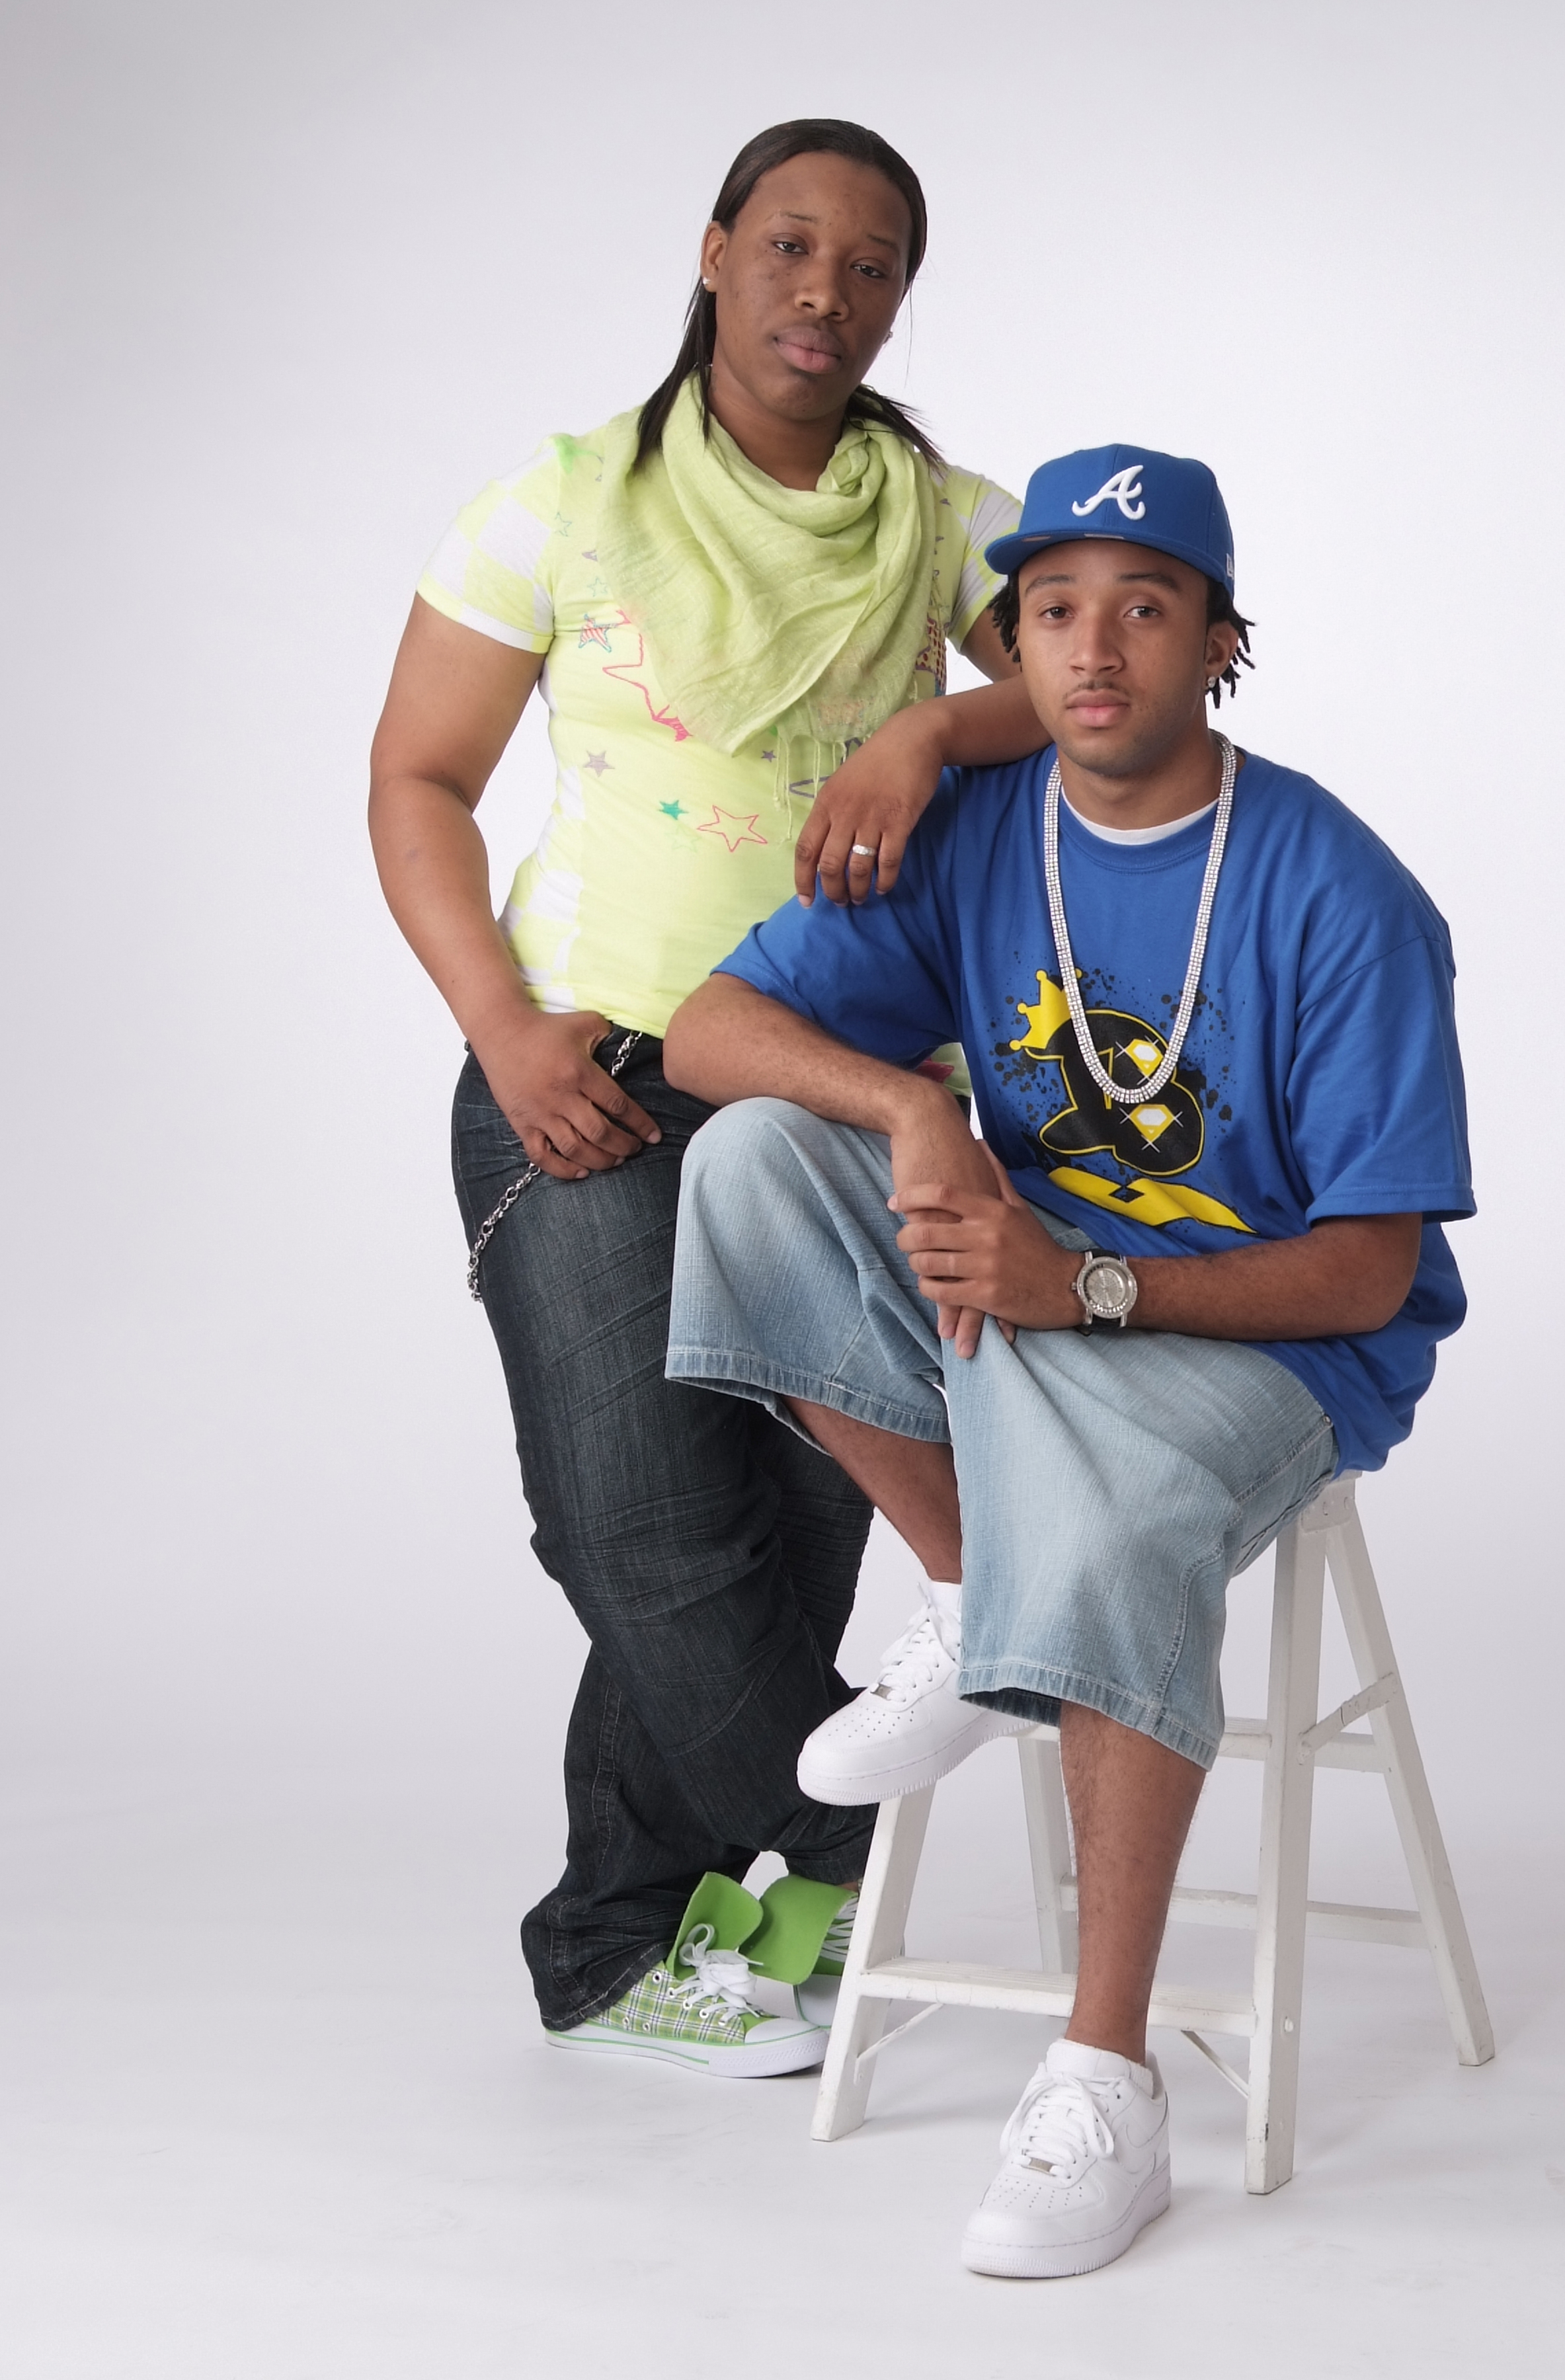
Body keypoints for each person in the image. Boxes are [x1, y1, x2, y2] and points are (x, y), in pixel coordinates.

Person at [661, 442, 1474, 2269]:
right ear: (1012, 645)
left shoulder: (1339, 891)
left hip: (1259, 1335)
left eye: (1145, 608)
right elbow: (711, 1030)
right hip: (1017, 1284)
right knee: (758, 1159)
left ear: (1222, 644)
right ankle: (977, 1593)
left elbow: (1369, 1269)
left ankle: (1106, 2078)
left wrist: (1088, 1290)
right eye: (1053, 611)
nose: (1095, 649)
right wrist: (913, 1110)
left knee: (1105, 1513)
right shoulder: (978, 830)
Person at [368, 120, 1049, 2076]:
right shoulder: (564, 504)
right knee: (640, 1532)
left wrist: (934, 726)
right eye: (791, 245)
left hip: (840, 1089)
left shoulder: (944, 524)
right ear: (717, 249)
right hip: (584, 1071)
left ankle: (624, 1942)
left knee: (786, 1531)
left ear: (902, 296)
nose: (827, 291)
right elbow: (417, 779)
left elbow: (1113, 678)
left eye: (873, 263)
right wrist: (503, 1025)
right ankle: (850, 1835)